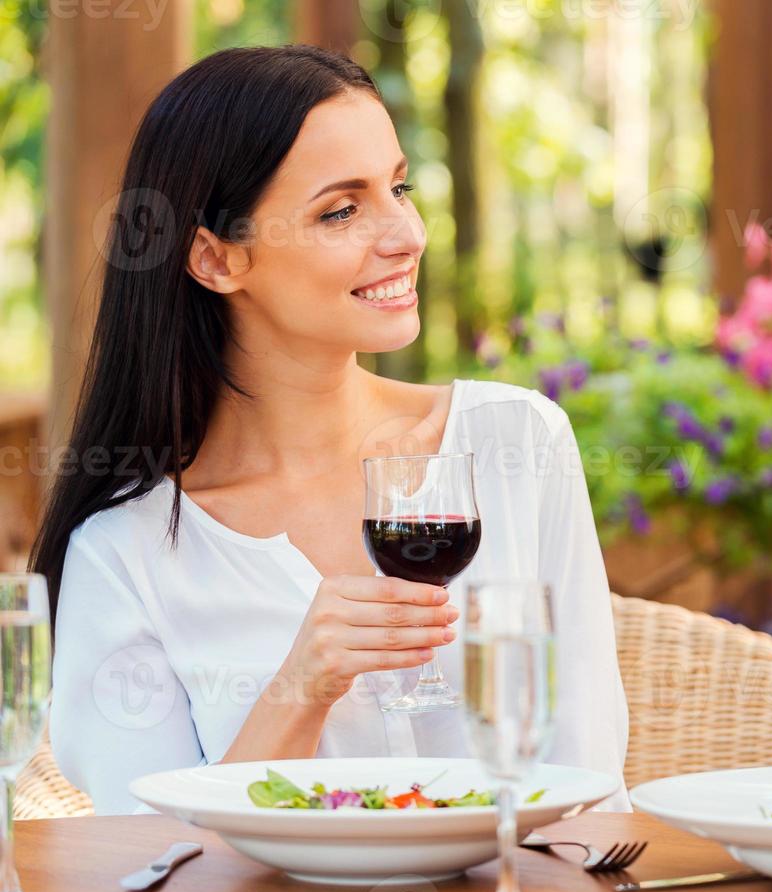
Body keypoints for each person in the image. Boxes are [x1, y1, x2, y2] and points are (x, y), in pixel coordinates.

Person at [31, 46, 628, 814]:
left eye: (398, 187)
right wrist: (301, 685)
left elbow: (590, 791)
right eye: (341, 210)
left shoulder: (516, 443)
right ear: (215, 259)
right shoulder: (128, 550)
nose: (406, 234)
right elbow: (155, 864)